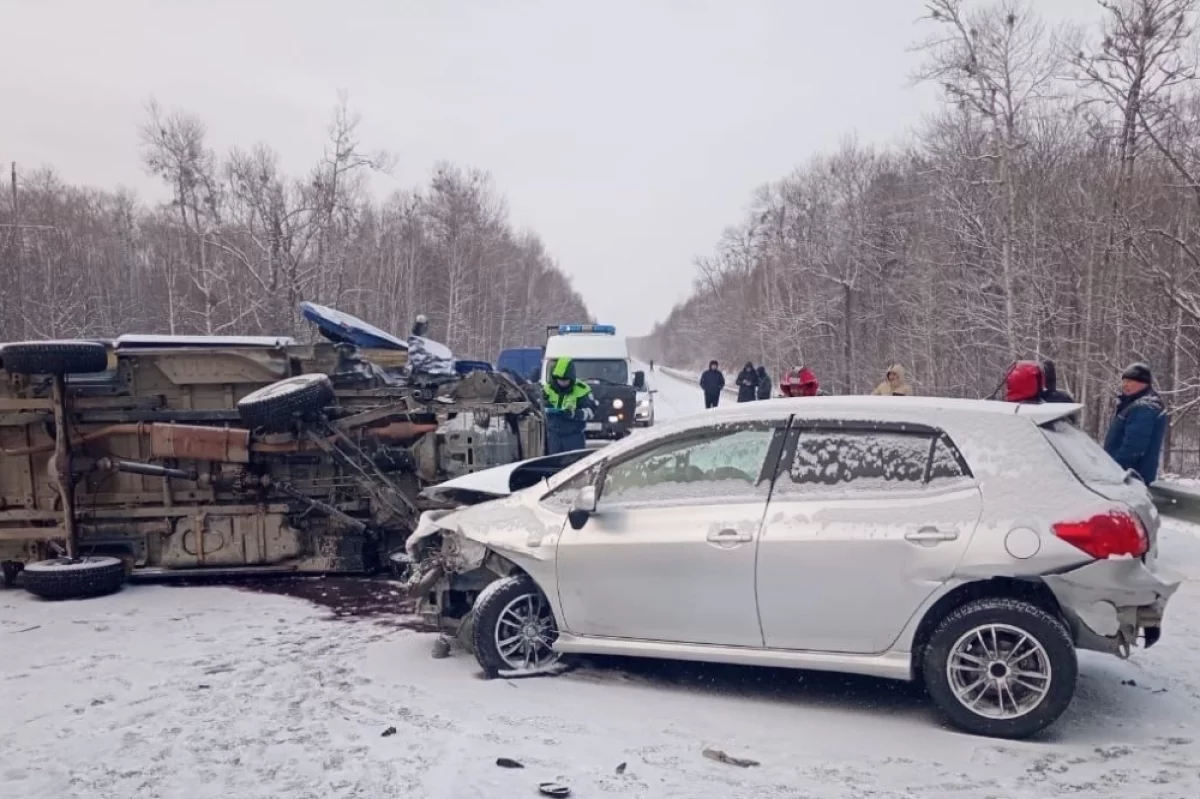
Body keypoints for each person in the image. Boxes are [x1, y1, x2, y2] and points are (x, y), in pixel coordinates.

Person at [1104, 362, 1168, 484]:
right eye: (1124, 381)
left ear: (1143, 383)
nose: (1124, 385)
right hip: (1128, 476)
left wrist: (1115, 469)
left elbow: (1134, 447)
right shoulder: (1135, 404)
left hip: (1130, 477)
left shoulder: (1145, 407)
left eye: (1129, 381)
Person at [542, 356, 599, 454]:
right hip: (553, 436)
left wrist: (574, 414)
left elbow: (591, 412)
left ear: (571, 378)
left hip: (573, 437)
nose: (562, 383)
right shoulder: (547, 389)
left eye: (565, 380)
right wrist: (547, 407)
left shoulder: (582, 390)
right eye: (560, 380)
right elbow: (540, 406)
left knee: (574, 464)